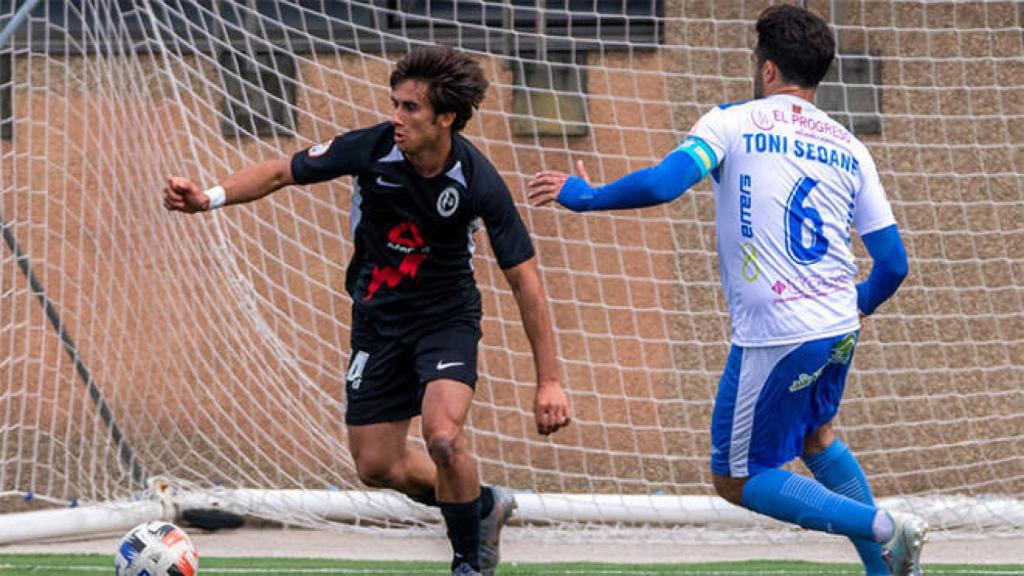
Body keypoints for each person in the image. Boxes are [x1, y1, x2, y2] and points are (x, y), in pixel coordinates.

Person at [528, 5, 924, 575]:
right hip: (838, 326)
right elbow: (893, 264)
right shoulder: (849, 147)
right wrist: (850, 304)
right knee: (816, 439)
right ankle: (885, 569)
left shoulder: (732, 121)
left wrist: (585, 194)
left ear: (766, 70)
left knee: (735, 477)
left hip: (776, 335)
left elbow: (667, 183)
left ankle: (885, 528)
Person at [164, 45, 572, 576]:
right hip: (378, 324)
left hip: (445, 322)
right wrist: (207, 198)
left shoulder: (478, 181)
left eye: (410, 109)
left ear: (445, 118)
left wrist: (549, 382)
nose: (395, 118)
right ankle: (482, 504)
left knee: (443, 437)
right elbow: (280, 172)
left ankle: (469, 563)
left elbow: (526, 281)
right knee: (377, 466)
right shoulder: (371, 149)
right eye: (395, 104)